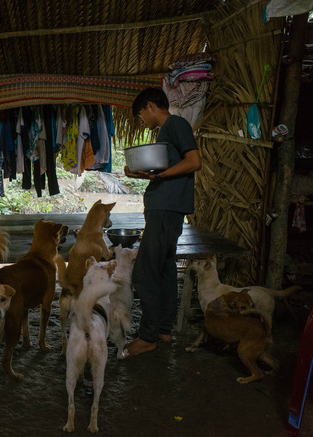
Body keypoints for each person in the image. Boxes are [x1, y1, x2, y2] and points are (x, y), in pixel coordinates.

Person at [123, 87, 202, 357]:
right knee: (166, 271)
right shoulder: (165, 134)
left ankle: (148, 337)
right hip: (165, 207)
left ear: (150, 106)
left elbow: (194, 161)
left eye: (141, 114)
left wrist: (163, 175)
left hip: (165, 209)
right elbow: (164, 173)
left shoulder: (176, 124)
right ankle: (163, 330)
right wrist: (143, 174)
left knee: (144, 273)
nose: (142, 120)